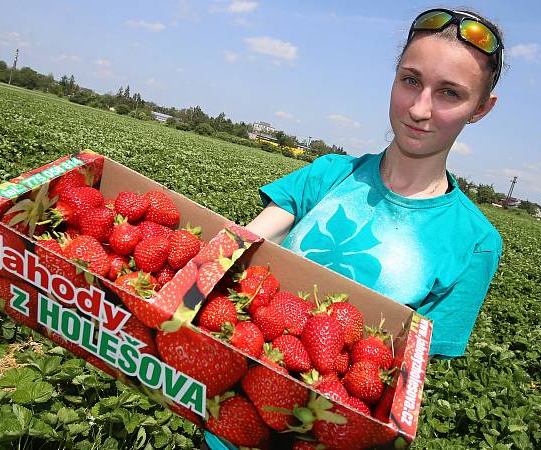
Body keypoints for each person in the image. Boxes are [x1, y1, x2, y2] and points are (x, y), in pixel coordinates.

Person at [203, 7, 505, 449]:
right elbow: (237, 249)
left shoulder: (475, 244)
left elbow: (400, 378)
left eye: (449, 93)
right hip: (228, 416)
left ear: (480, 108)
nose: (419, 108)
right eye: (411, 80)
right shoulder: (327, 175)